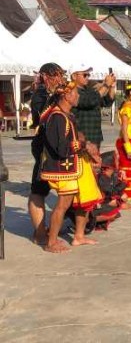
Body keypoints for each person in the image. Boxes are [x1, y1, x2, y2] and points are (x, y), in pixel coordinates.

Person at [39, 80, 103, 252]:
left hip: (75, 165)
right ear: (67, 96)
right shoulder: (57, 118)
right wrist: (83, 146)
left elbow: (77, 137)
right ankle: (51, 242)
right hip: (63, 168)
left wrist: (88, 145)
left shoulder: (68, 116)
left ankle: (79, 237)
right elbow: (61, 149)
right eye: (76, 93)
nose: (78, 96)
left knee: (85, 201)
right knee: (63, 205)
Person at [27, 62, 66, 246]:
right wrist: (54, 98)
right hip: (43, 147)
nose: (58, 79)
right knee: (39, 189)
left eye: (59, 75)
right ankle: (40, 232)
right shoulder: (40, 94)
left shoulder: (56, 93)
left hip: (59, 146)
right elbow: (42, 117)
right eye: (54, 75)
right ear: (44, 76)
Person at [72, 66, 116, 150]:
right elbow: (89, 102)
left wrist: (112, 87)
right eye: (85, 75)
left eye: (88, 75)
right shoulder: (71, 91)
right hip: (82, 138)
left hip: (95, 137)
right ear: (74, 76)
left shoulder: (89, 90)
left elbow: (106, 102)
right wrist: (106, 85)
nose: (87, 77)